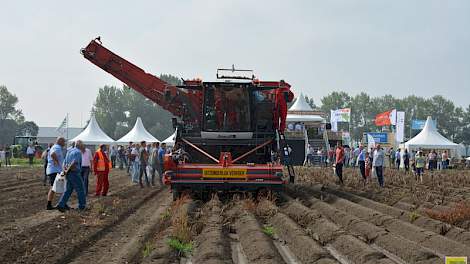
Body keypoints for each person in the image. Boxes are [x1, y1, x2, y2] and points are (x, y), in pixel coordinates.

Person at [56, 140, 86, 212]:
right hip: (74, 173)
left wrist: (65, 171)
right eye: (83, 145)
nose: (83, 146)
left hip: (69, 173)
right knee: (81, 190)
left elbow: (64, 162)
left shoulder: (69, 151)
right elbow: (74, 163)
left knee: (68, 190)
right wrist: (67, 171)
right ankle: (82, 206)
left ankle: (61, 204)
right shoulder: (78, 152)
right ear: (80, 145)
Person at [46, 137, 65, 210]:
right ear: (60, 141)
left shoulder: (56, 147)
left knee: (57, 188)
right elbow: (53, 154)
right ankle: (61, 204)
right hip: (55, 171)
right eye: (63, 142)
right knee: (58, 188)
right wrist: (56, 161)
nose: (64, 144)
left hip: (54, 170)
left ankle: (52, 204)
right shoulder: (57, 147)